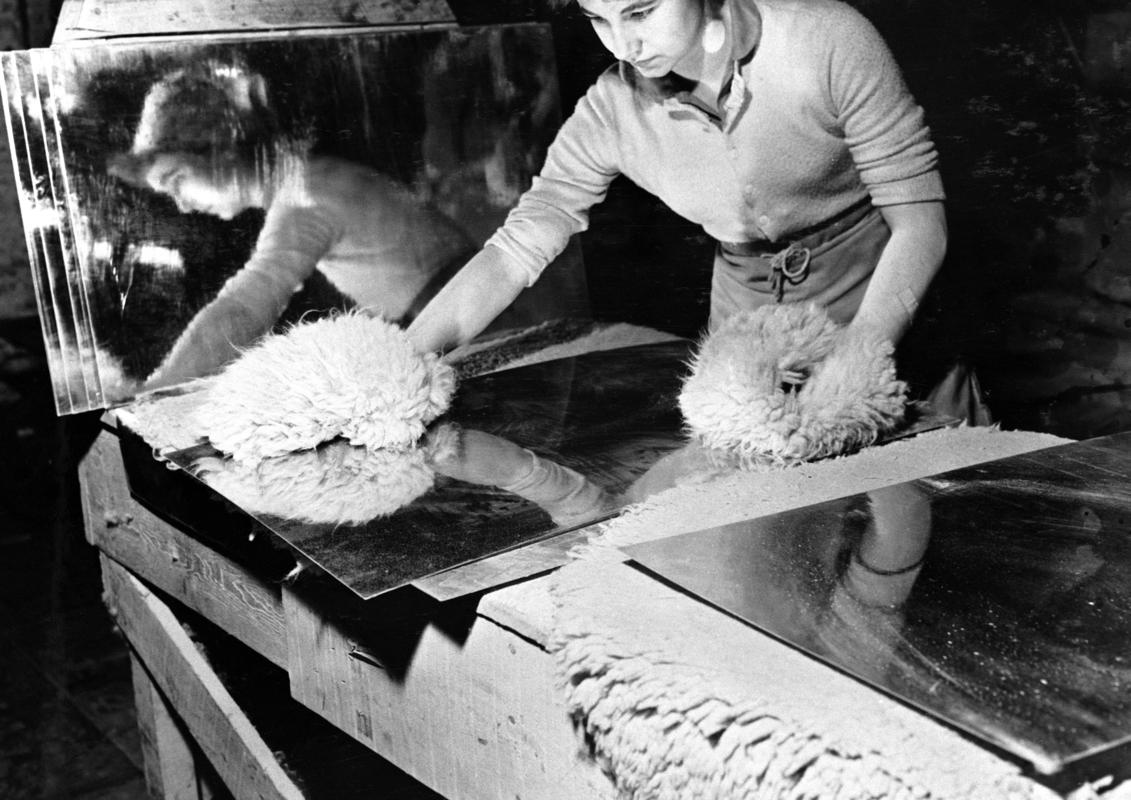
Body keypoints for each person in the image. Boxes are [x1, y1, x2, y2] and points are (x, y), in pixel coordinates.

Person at [407, 0, 957, 408]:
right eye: (599, 19)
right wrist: (405, 360)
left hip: (883, 286)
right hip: (745, 311)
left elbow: (920, 224)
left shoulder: (826, 40)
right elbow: (513, 253)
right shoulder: (610, 110)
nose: (623, 46)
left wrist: (857, 362)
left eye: (641, 12)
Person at [109, 61, 476, 389]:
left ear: (220, 145)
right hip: (464, 315)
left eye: (177, 180)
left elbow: (245, 307)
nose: (183, 205)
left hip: (480, 321)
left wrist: (163, 386)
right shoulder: (311, 177)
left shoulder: (303, 197)